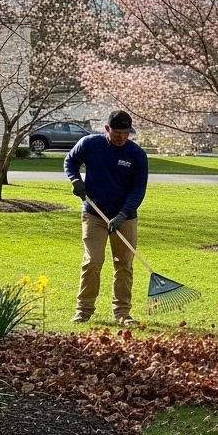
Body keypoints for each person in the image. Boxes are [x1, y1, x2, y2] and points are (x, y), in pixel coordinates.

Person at [64, 110, 149, 327]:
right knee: (92, 261)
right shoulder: (90, 144)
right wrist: (75, 180)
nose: (121, 137)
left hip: (125, 217)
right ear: (107, 129)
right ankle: (83, 310)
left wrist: (123, 214)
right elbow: (70, 161)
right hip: (94, 214)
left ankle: (122, 313)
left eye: (126, 132)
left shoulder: (137, 154)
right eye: (117, 132)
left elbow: (138, 188)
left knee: (123, 264)